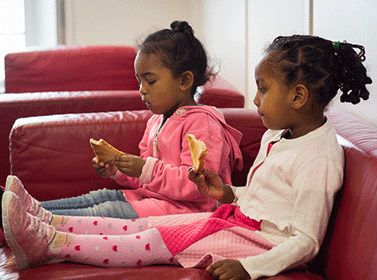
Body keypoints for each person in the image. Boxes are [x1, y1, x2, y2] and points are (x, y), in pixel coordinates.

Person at [2, 35, 372, 279]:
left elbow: (306, 239)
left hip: (257, 243)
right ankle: (45, 226)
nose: (255, 99)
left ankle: (50, 243)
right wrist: (227, 193)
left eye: (262, 89)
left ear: (298, 96)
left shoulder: (320, 157)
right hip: (234, 219)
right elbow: (268, 198)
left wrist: (250, 267)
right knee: (139, 228)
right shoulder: (280, 135)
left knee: (146, 240)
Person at [0, 20, 243, 223]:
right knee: (98, 197)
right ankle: (23, 207)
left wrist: (144, 168)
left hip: (185, 213)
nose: (142, 90)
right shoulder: (156, 120)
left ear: (185, 80)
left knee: (104, 212)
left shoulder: (203, 124)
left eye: (150, 81)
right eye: (139, 81)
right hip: (149, 200)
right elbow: (144, 179)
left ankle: (24, 220)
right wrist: (118, 170)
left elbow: (197, 186)